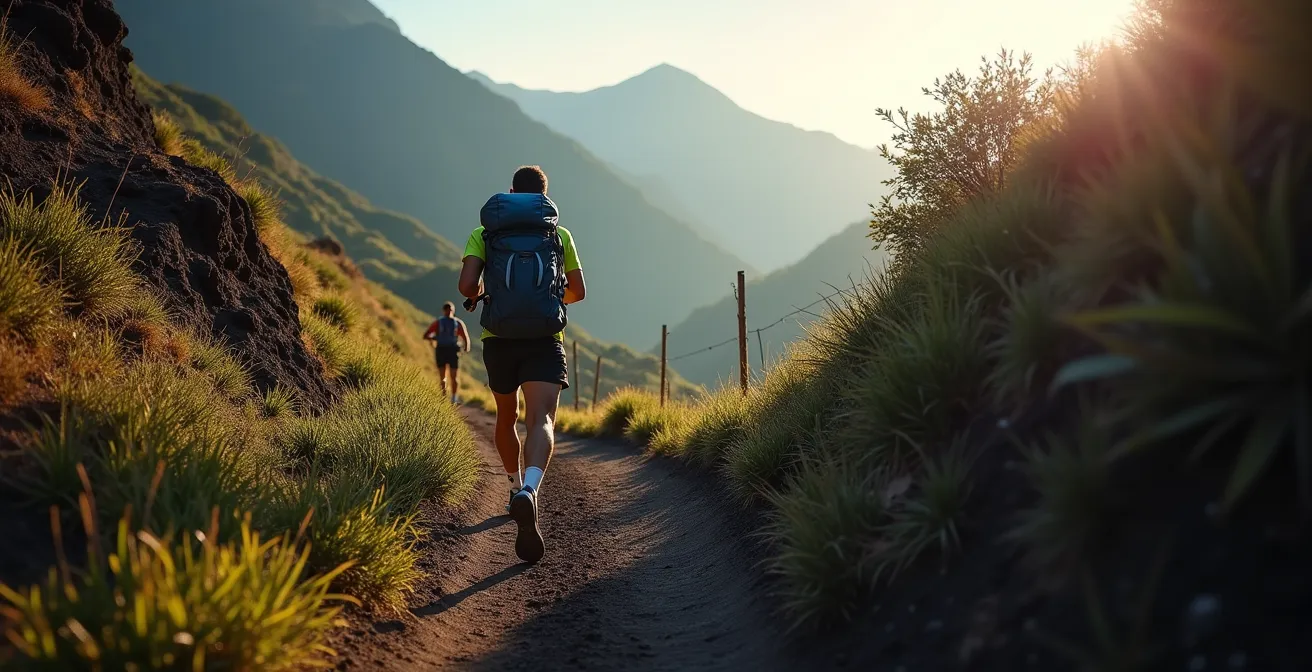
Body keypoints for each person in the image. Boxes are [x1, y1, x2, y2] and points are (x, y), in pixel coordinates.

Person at [458, 165, 585, 564]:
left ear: (511, 194)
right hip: (545, 340)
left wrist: (485, 293)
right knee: (542, 420)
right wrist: (546, 301)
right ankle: (531, 489)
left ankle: (513, 487)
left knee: (505, 415)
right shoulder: (559, 234)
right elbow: (579, 291)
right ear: (543, 197)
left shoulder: (485, 233)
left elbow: (465, 286)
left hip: (499, 339)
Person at [422, 301, 471, 404]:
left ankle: (443, 397)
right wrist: (466, 348)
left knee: (442, 376)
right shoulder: (458, 323)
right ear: (453, 310)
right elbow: (465, 337)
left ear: (443, 310)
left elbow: (426, 335)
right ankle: (454, 398)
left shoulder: (438, 323)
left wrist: (435, 338)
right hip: (453, 351)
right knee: (454, 376)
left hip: (441, 350)